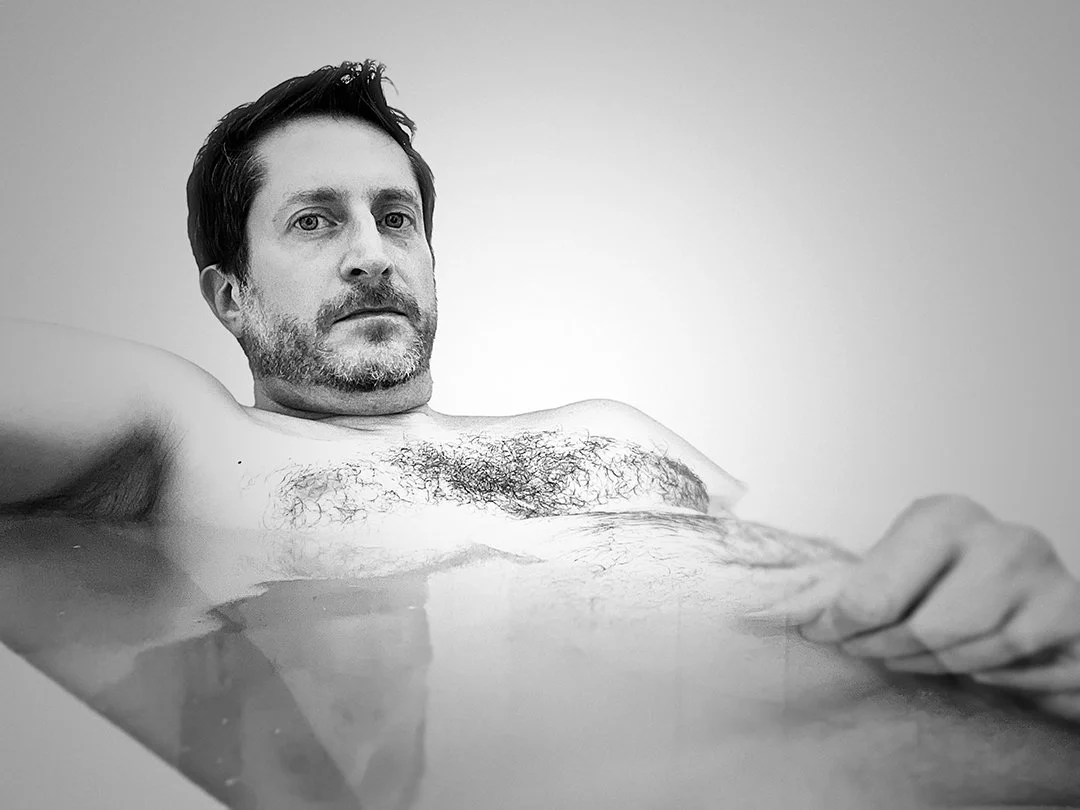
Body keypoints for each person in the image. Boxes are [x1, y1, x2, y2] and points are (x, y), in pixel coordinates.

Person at [2, 59, 1079, 726]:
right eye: (315, 221)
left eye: (397, 218)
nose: (373, 253)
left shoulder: (607, 426)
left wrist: (978, 581)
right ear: (231, 295)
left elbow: (836, 568)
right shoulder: (191, 437)